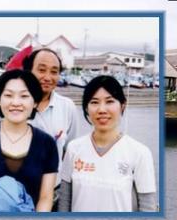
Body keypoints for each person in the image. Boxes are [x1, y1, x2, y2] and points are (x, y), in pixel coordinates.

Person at [0, 70, 59, 212]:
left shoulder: (47, 143)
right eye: (8, 95)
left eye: (24, 96)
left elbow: (45, 197)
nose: (16, 102)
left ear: (35, 102)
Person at [59, 75, 157, 212]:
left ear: (123, 105)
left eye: (110, 101)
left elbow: (148, 207)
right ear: (86, 108)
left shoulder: (140, 152)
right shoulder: (74, 148)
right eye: (94, 102)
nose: (102, 110)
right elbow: (64, 201)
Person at [23, 48, 84, 180]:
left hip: (53, 192)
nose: (48, 77)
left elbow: (70, 152)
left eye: (54, 72)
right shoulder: (12, 105)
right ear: (29, 71)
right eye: (41, 70)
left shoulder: (68, 107)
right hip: (13, 192)